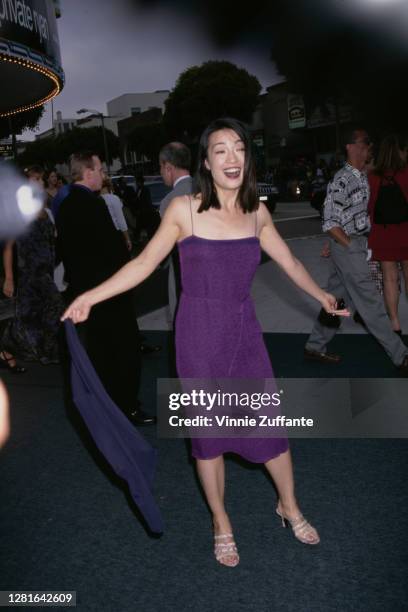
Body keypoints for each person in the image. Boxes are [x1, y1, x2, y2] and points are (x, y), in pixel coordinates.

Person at [62, 118, 350, 567]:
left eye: (239, 148)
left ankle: (288, 505)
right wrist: (90, 297)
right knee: (210, 436)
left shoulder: (257, 213)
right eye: (221, 150)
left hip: (244, 332)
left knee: (270, 425)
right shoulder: (186, 211)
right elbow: (142, 266)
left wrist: (322, 295)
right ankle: (221, 522)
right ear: (206, 162)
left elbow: (290, 260)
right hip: (198, 336)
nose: (232, 158)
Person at [56, 152, 154, 425]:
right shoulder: (93, 204)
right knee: (124, 350)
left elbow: (66, 251)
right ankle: (127, 407)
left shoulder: (64, 205)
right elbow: (114, 253)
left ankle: (107, 405)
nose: (104, 174)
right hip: (109, 293)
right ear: (87, 173)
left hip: (85, 292)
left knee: (101, 351)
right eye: (100, 169)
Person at [305, 128, 408, 372]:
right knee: (371, 303)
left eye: (369, 143)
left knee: (337, 300)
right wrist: (349, 247)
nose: (369, 147)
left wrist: (345, 244)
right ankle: (401, 356)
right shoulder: (342, 179)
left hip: (351, 244)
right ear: (350, 147)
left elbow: (353, 215)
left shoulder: (362, 176)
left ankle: (315, 346)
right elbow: (329, 220)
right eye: (365, 143)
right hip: (349, 246)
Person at [2, 166, 63, 365]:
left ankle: (19, 348)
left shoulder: (45, 210)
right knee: (55, 306)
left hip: (46, 271)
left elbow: (52, 240)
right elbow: (8, 247)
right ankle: (45, 350)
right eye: (34, 179)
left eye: (40, 179)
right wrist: (9, 278)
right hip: (30, 272)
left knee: (31, 314)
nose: (40, 182)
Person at [367, 134, 408, 335]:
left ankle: (394, 323)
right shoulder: (406, 173)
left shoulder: (373, 177)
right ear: (400, 151)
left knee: (389, 279)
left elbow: (368, 208)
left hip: (382, 235)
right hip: (406, 232)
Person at [159, 142, 193, 324]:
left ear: (168, 166)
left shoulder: (169, 202)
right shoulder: (209, 190)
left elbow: (164, 249)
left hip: (184, 277)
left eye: (160, 167)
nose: (160, 172)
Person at [100, 177, 132, 252]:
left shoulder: (95, 199)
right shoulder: (114, 198)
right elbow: (121, 220)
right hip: (115, 233)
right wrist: (127, 239)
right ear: (109, 185)